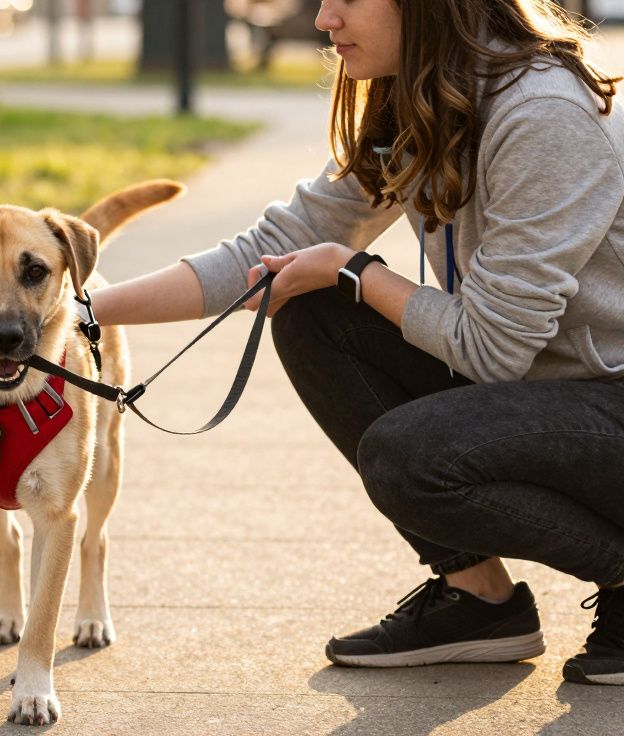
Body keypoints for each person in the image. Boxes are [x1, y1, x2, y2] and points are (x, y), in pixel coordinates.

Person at [90, 0, 624, 685]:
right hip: (547, 394)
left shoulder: (543, 113)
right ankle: (478, 601)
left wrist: (355, 271)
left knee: (410, 455)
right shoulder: (421, 99)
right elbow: (272, 250)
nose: (323, 19)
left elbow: (492, 350)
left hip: (607, 405)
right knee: (311, 311)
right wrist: (79, 312)